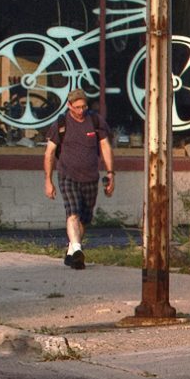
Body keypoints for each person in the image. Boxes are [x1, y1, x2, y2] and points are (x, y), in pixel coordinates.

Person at [42, 86, 114, 269]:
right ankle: (77, 249)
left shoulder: (95, 121)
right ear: (69, 106)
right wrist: (48, 180)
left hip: (90, 177)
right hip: (68, 175)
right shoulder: (60, 124)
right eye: (77, 107)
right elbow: (49, 153)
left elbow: (105, 147)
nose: (81, 111)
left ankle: (71, 252)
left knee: (83, 219)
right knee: (72, 213)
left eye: (84, 107)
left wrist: (110, 173)